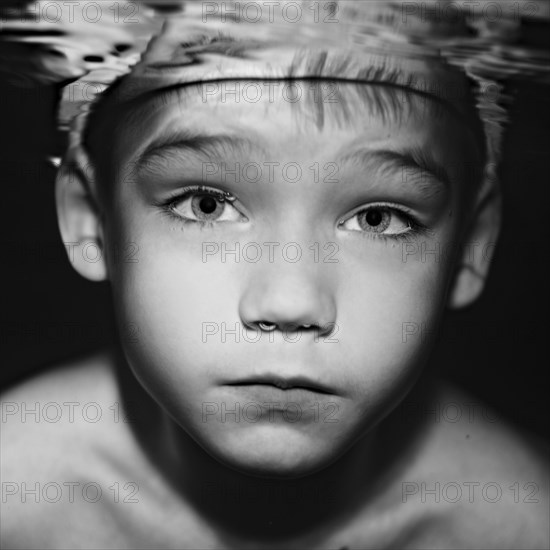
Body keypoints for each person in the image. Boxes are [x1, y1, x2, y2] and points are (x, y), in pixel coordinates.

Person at [1, 2, 548, 548]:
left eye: (379, 219)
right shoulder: (14, 491)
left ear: (472, 246)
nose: (291, 302)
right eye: (206, 205)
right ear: (91, 221)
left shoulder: (521, 523)